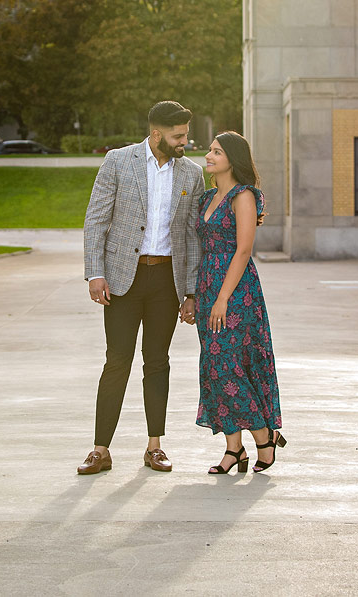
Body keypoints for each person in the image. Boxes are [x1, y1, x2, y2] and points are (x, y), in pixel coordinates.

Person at [77, 101, 205, 475]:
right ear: (156, 134)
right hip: (121, 279)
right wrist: (94, 273)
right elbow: (96, 220)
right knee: (116, 361)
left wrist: (192, 291)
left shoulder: (192, 174)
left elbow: (192, 236)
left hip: (167, 281)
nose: (184, 141)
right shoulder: (119, 161)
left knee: (157, 362)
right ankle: (100, 450)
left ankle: (155, 447)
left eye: (185, 134)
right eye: (178, 135)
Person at [192, 131, 285, 474]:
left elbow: (244, 250)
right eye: (210, 150)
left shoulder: (242, 196)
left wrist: (222, 299)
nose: (209, 156)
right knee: (213, 369)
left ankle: (263, 436)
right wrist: (196, 296)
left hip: (236, 292)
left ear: (233, 158)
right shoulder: (206, 198)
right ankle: (234, 449)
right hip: (207, 287)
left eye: (217, 151)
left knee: (230, 365)